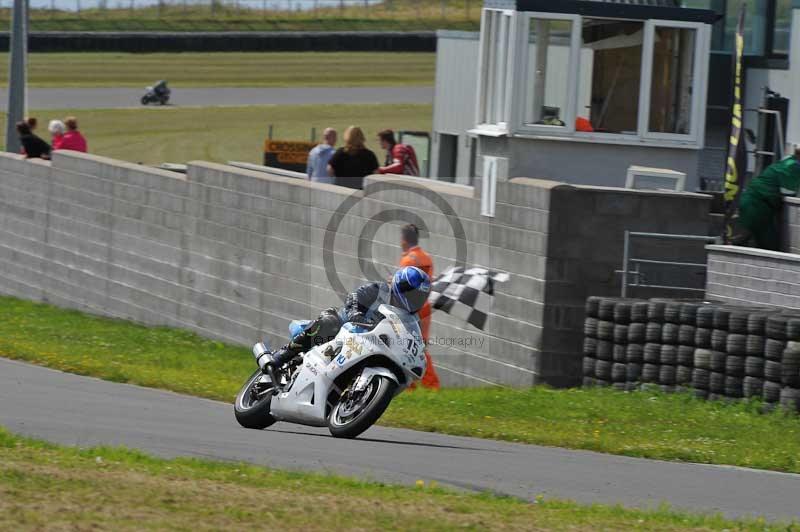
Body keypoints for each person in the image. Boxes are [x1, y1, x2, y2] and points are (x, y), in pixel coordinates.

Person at [257, 266, 431, 373]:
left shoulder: (411, 319)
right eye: (413, 294)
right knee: (328, 323)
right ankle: (281, 355)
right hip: (344, 328)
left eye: (419, 297)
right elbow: (354, 296)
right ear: (401, 287)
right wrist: (356, 313)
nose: (415, 300)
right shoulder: (379, 290)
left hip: (369, 346)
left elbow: (411, 338)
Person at [399, 224, 441, 390]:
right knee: (421, 346)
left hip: (411, 308)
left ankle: (409, 386)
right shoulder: (427, 258)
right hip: (425, 307)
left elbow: (403, 287)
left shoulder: (407, 260)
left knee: (406, 346)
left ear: (404, 240)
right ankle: (432, 385)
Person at [734, 147, 800, 250]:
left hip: (756, 201)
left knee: (761, 244)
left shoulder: (788, 160)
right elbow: (788, 193)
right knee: (746, 240)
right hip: (757, 204)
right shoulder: (792, 167)